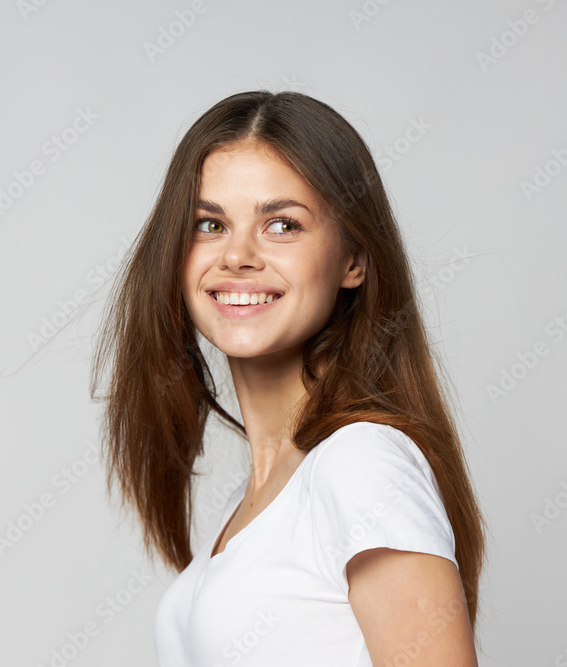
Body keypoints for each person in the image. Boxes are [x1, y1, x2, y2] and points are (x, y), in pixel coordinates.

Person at [89, 90, 486, 666]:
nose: (237, 256)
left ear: (355, 260)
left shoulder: (361, 464)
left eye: (282, 224)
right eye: (208, 224)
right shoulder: (253, 501)